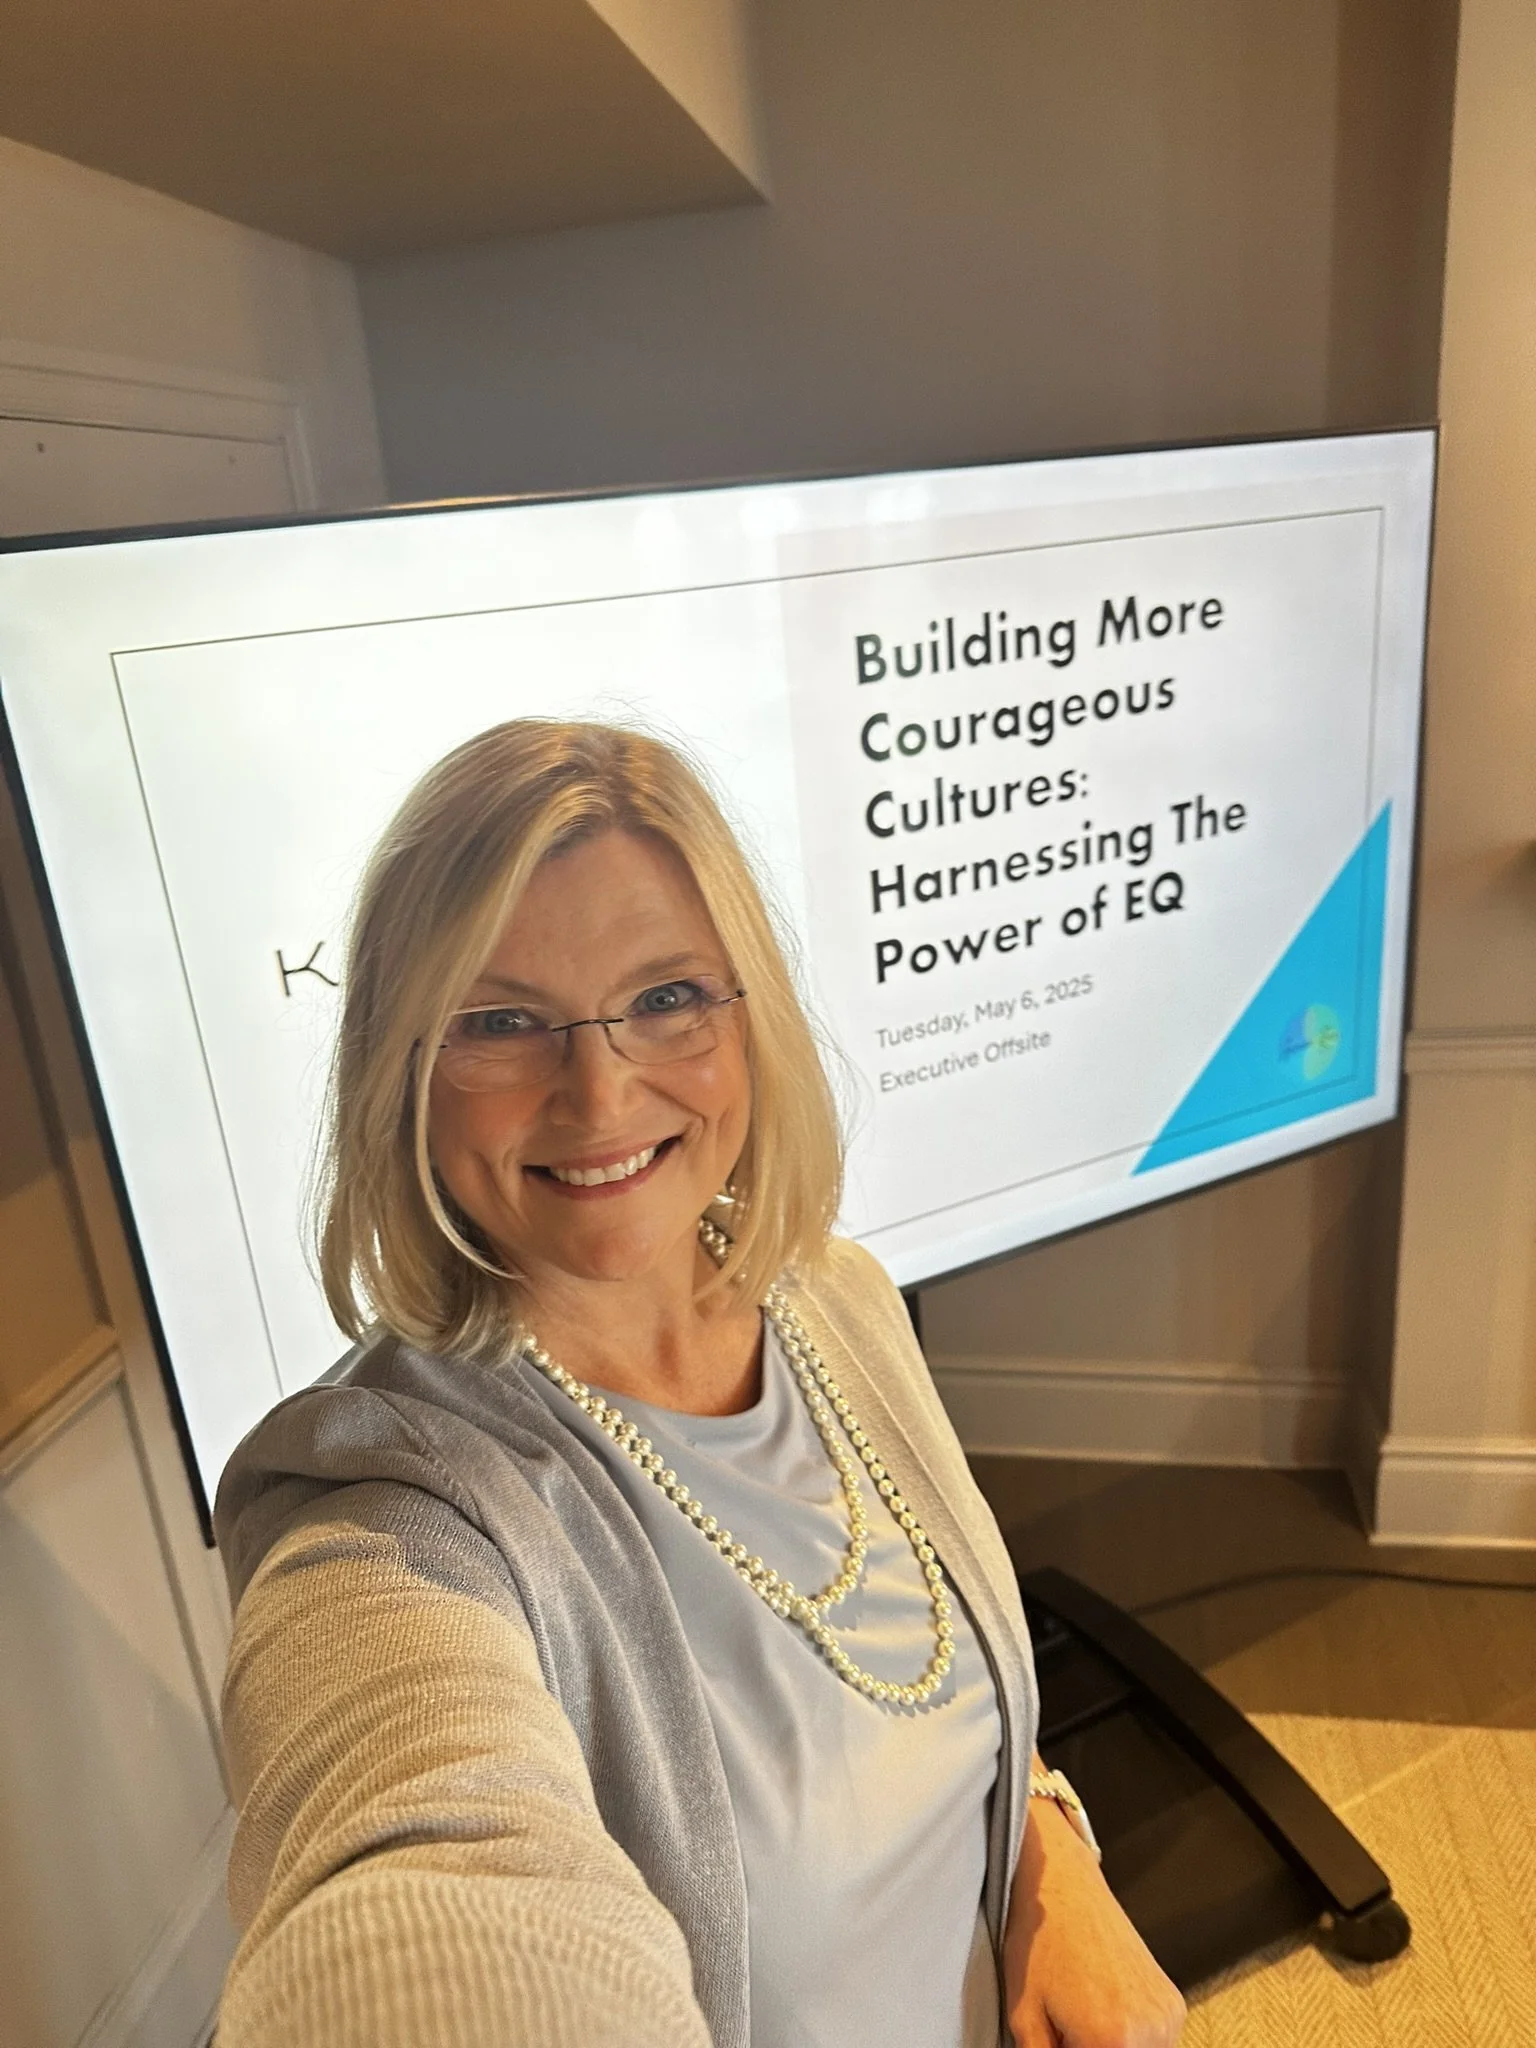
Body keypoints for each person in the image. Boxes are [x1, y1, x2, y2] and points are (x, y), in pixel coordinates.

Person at [213, 719, 1185, 2048]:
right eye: (501, 1022)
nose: (599, 1091)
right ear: (405, 1073)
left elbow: (943, 1707)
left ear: (749, 1012)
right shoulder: (380, 1500)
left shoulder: (837, 1301)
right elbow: (419, 1838)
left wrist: (1050, 1864)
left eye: (667, 996)